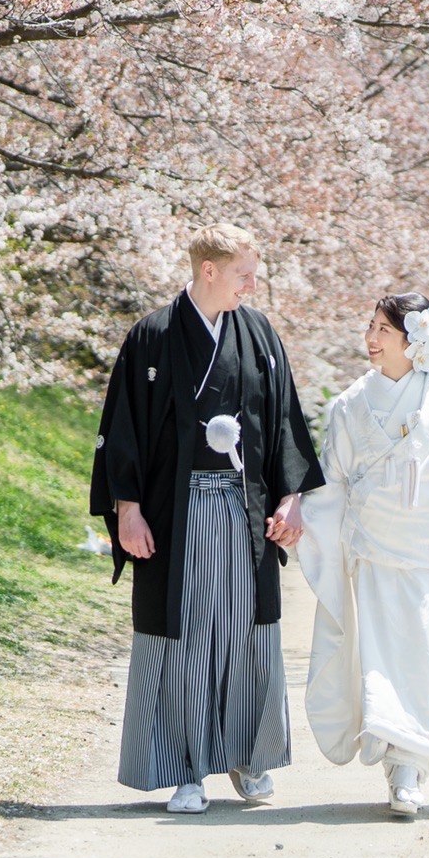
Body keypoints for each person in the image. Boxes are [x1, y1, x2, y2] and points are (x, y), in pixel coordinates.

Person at [91, 223, 325, 815]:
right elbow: (124, 428)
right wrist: (128, 509)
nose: (253, 283)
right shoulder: (152, 335)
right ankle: (185, 768)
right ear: (209, 270)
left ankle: (250, 758)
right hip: (178, 509)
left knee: (247, 633)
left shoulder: (259, 334)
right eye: (244, 271)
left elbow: (285, 423)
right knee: (186, 635)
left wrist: (290, 499)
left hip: (245, 512)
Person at [295, 294, 429, 820]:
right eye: (370, 327)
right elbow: (332, 480)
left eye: (384, 331)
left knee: (428, 657)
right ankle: (400, 767)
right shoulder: (350, 403)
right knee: (384, 656)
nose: (371, 338)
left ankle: (411, 767)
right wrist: (302, 518)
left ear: (414, 341)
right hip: (375, 547)